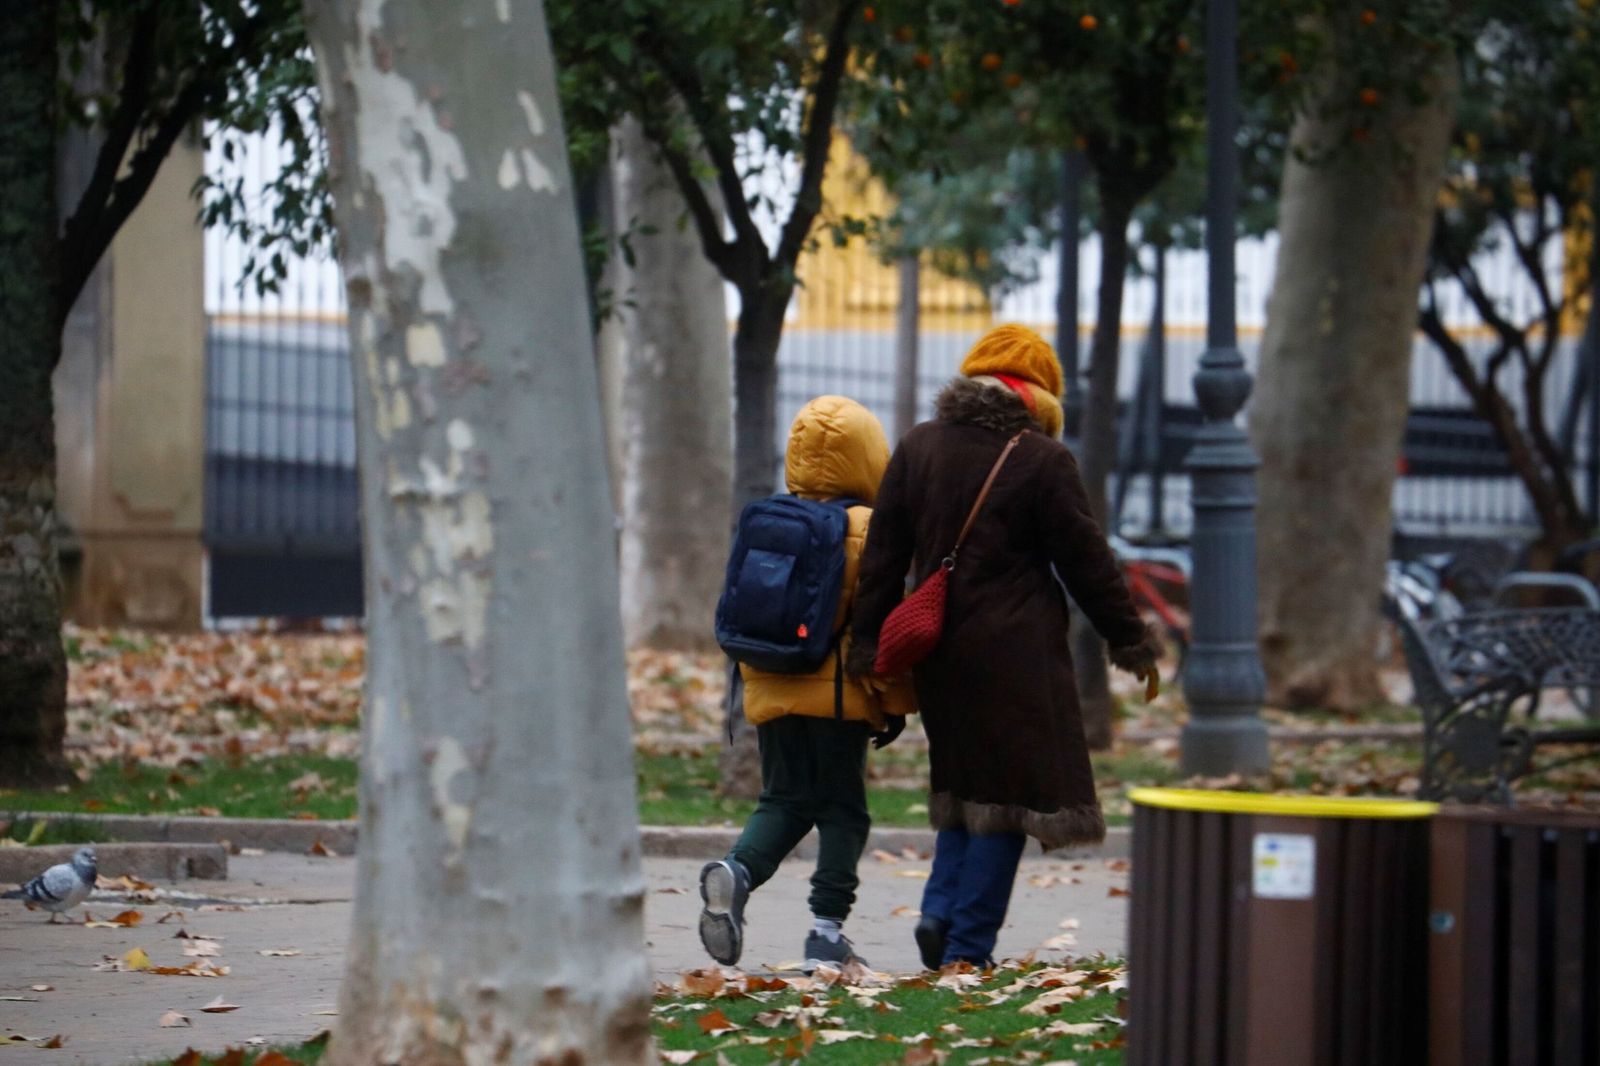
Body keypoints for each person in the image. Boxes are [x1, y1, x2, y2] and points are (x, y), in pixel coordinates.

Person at [848, 323, 1160, 969]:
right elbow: (1087, 563)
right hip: (1017, 655)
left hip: (937, 649)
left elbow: (882, 557)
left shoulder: (919, 445)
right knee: (1011, 798)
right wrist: (1129, 638)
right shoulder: (1042, 459)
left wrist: (868, 645)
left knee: (963, 783)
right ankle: (966, 945)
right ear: (1040, 394)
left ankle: (939, 911)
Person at [698, 396, 915, 973]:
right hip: (840, 700)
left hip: (771, 682)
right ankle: (826, 932)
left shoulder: (772, 520)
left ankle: (737, 872)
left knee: (785, 799)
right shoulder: (871, 530)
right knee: (844, 812)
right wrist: (894, 703)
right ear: (868, 456)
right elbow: (881, 627)